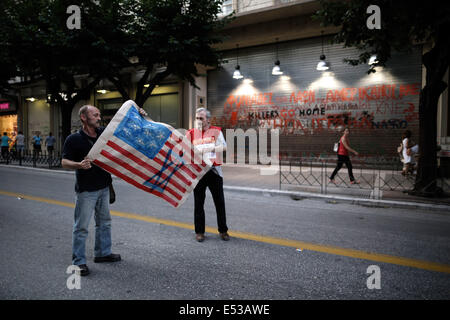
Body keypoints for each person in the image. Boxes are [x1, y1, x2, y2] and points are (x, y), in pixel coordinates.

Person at [61, 105, 120, 276]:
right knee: (81, 227)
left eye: (99, 115)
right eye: (95, 115)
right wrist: (78, 165)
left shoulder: (103, 133)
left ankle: (102, 253)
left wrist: (138, 113)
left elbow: (122, 129)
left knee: (105, 222)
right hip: (86, 191)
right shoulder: (73, 139)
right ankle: (78, 262)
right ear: (84, 118)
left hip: (103, 187)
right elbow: (64, 161)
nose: (98, 118)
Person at [186, 108, 230, 242]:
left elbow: (224, 147)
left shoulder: (216, 131)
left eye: (201, 118)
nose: (198, 121)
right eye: (197, 118)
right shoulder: (191, 133)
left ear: (208, 120)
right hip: (199, 173)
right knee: (199, 203)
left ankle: (223, 231)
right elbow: (185, 149)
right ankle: (199, 232)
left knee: (220, 202)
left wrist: (209, 148)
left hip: (214, 172)